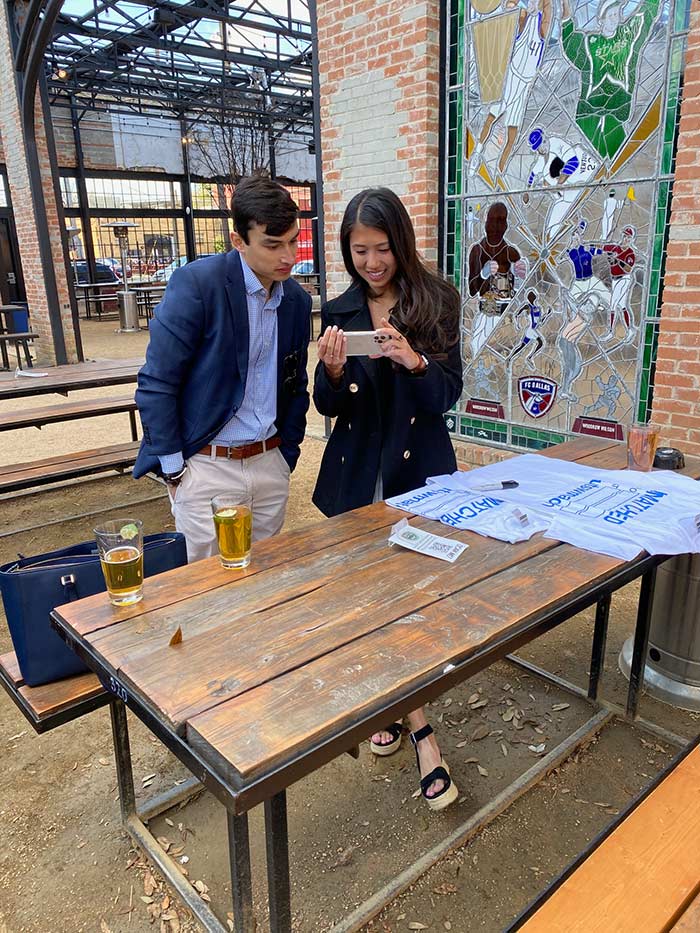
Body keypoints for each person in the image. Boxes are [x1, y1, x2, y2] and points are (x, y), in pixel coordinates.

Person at [312, 187, 462, 811]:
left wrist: (415, 362)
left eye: (381, 249)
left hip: (419, 478)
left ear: (400, 243)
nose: (372, 263)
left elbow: (448, 395)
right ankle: (417, 724)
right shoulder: (339, 310)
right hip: (356, 480)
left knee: (412, 605)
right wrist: (338, 374)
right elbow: (328, 408)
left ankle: (412, 720)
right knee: (372, 606)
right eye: (359, 250)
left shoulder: (436, 300)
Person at [133, 175, 311, 561]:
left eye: (294, 241)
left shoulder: (295, 300)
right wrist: (175, 469)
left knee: (261, 582)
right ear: (238, 241)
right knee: (204, 590)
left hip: (269, 461)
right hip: (206, 465)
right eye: (272, 244)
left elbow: (296, 384)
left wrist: (286, 456)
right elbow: (157, 383)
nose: (288, 256)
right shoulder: (198, 284)